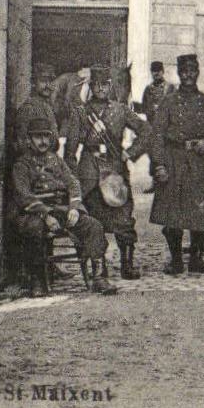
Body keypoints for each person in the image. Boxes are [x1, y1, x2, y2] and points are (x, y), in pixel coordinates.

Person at [7, 115, 116, 296]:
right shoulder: (22, 165)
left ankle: (99, 278)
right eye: (38, 137)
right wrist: (45, 215)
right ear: (29, 140)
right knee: (33, 229)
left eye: (46, 136)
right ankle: (38, 281)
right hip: (35, 213)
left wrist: (74, 207)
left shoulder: (56, 160)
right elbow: (23, 195)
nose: (43, 141)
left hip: (61, 210)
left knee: (94, 226)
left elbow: (73, 183)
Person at [66, 64, 150, 282]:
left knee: (123, 219)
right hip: (90, 173)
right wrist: (74, 178)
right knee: (94, 222)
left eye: (105, 84)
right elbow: (70, 151)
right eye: (97, 85)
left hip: (115, 171)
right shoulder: (81, 112)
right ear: (91, 86)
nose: (101, 88)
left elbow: (146, 131)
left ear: (110, 85)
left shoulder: (120, 110)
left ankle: (127, 265)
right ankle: (99, 267)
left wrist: (130, 153)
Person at [150, 52, 204, 276]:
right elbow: (157, 136)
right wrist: (159, 165)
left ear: (197, 72)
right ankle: (176, 260)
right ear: (178, 73)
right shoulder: (168, 102)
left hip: (200, 163)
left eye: (192, 71)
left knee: (199, 213)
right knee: (172, 214)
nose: (188, 76)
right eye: (184, 72)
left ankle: (196, 259)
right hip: (174, 161)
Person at [137, 60, 171, 194]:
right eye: (154, 71)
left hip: (167, 128)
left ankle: (168, 183)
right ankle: (155, 182)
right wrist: (151, 110)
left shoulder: (170, 88)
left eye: (158, 71)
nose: (156, 74)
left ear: (163, 72)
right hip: (153, 127)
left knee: (167, 155)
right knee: (153, 154)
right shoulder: (148, 89)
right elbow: (144, 106)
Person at [14, 62, 59, 154]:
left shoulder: (48, 107)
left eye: (51, 81)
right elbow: (22, 143)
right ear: (33, 83)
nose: (48, 85)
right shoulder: (28, 108)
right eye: (43, 81)